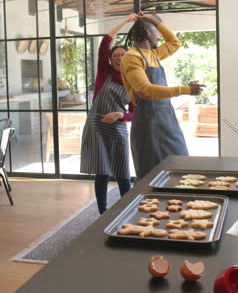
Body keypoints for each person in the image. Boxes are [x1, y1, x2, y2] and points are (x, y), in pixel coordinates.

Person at [121, 12, 204, 183]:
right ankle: (150, 207)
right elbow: (145, 90)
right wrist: (185, 89)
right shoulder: (132, 57)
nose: (159, 34)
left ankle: (178, 203)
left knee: (180, 163)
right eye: (155, 30)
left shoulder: (154, 54)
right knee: (152, 174)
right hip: (148, 122)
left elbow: (175, 42)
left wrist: (155, 22)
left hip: (167, 119)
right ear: (146, 31)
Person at [80, 14, 139, 214]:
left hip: (118, 127)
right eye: (115, 55)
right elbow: (106, 42)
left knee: (123, 172)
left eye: (123, 55)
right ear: (110, 59)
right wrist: (125, 21)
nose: (119, 58)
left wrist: (120, 115)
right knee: (102, 172)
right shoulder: (104, 72)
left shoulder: (133, 80)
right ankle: (102, 213)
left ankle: (127, 210)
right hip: (96, 126)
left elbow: (135, 113)